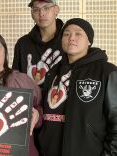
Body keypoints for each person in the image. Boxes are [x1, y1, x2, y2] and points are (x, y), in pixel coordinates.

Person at [38, 18, 117, 156]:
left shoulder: (107, 72)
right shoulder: (53, 72)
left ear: (89, 41)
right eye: (66, 34)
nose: (71, 38)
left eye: (78, 34)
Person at [12, 0, 63, 88]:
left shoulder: (68, 41)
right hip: (29, 100)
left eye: (46, 8)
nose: (41, 14)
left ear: (56, 10)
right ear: (32, 14)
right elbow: (15, 80)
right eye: (36, 10)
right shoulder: (23, 44)